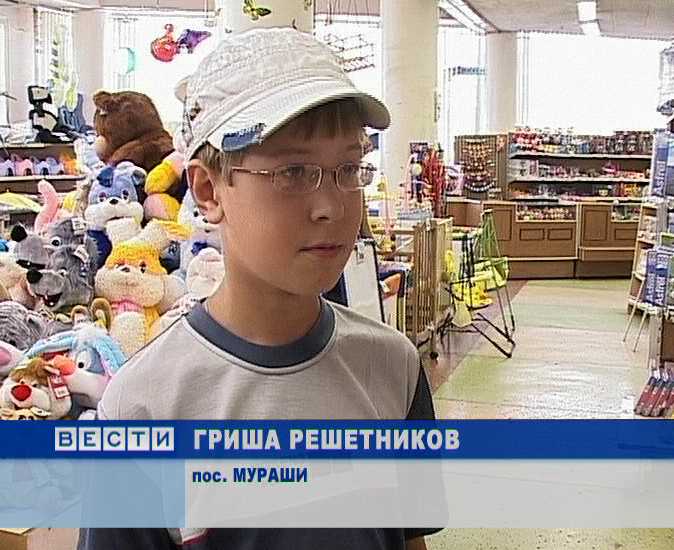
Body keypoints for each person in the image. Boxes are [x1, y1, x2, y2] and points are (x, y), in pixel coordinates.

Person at [79, 27, 439, 550]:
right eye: (293, 171)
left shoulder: (392, 367)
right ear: (208, 190)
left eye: (348, 168)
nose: (332, 206)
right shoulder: (144, 407)